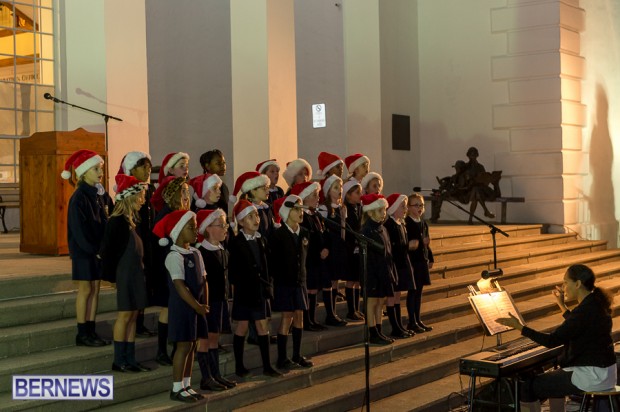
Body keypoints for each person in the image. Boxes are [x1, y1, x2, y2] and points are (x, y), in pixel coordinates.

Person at [496, 264, 617, 412]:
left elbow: (551, 341)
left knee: (527, 387)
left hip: (591, 376)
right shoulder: (595, 304)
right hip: (605, 373)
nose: (563, 287)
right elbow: (578, 324)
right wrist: (562, 305)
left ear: (578, 284)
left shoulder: (584, 311)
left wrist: (520, 327)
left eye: (566, 282)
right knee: (555, 381)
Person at [153, 210, 207, 403]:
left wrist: (204, 303)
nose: (195, 230)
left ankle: (186, 384)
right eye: (191, 227)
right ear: (177, 231)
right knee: (183, 346)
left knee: (192, 345)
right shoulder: (174, 256)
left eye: (195, 226)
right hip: (182, 307)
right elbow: (180, 286)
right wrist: (197, 305)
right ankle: (176, 387)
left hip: (196, 306)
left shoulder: (196, 253)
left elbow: (204, 280)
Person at [62, 149, 114, 347]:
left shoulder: (100, 193)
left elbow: (109, 215)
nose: (100, 172)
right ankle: (82, 332)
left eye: (100, 168)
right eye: (96, 169)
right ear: (83, 173)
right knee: (86, 289)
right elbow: (78, 230)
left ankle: (91, 330)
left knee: (96, 288)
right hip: (85, 251)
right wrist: (94, 250)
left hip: (99, 250)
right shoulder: (79, 197)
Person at [101, 174, 150, 372]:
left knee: (133, 315)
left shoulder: (132, 220)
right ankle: (119, 359)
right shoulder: (117, 222)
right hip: (125, 274)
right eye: (141, 196)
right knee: (124, 315)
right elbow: (108, 251)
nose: (143, 200)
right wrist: (112, 277)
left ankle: (130, 358)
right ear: (130, 197)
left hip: (135, 273)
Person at [228, 200, 280, 378]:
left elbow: (267, 265)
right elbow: (234, 271)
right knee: (242, 326)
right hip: (244, 291)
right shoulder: (236, 242)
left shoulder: (261, 240)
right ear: (241, 221)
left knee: (263, 326)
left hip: (260, 290)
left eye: (256, 215)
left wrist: (268, 285)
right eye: (250, 216)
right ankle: (239, 366)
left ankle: (267, 366)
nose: (256, 219)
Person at [270, 195, 314, 369]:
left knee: (299, 316)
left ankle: (297, 354)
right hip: (285, 282)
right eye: (296, 209)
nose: (300, 212)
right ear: (287, 212)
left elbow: (305, 257)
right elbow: (275, 261)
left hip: (299, 281)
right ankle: (282, 357)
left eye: (301, 209)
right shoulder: (279, 234)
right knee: (287, 316)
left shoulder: (304, 233)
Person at [152, 176, 192, 365]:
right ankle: (162, 350)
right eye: (183, 191)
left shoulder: (183, 213)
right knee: (167, 308)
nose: (186, 195)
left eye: (187, 192)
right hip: (166, 268)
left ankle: (177, 347)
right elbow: (159, 243)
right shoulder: (165, 214)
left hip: (179, 265)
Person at [116, 151, 156, 337]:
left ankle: (140, 320)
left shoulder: (149, 189)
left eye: (149, 168)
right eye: (143, 167)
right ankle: (136, 323)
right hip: (133, 243)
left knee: (144, 285)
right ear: (132, 169)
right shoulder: (128, 192)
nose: (148, 171)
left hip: (147, 241)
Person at [195, 209, 235, 391]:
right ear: (208, 228)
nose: (226, 228)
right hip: (208, 303)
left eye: (226, 225)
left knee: (215, 337)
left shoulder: (222, 250)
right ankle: (206, 377)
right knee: (206, 338)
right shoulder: (201, 252)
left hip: (221, 300)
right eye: (222, 225)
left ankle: (215, 374)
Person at [359, 194, 396, 345]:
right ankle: (372, 331)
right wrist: (374, 275)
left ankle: (379, 329)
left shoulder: (383, 228)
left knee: (381, 300)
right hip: (372, 272)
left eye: (384, 210)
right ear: (370, 212)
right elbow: (368, 257)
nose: (384, 213)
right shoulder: (367, 230)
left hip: (383, 270)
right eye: (380, 210)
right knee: (372, 301)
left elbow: (388, 251)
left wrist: (390, 271)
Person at [383, 193, 415, 339]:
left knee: (398, 296)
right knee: (392, 296)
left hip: (402, 265)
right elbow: (391, 248)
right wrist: (407, 246)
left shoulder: (401, 224)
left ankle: (399, 326)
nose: (405, 209)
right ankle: (395, 327)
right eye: (402, 206)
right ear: (394, 208)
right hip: (394, 265)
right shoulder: (389, 225)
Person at [319, 174, 349, 322]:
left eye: (341, 187)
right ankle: (329, 314)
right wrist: (325, 246)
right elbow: (322, 231)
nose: (340, 190)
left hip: (339, 248)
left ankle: (334, 313)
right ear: (328, 191)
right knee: (329, 281)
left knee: (336, 280)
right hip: (329, 248)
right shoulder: (324, 208)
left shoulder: (342, 208)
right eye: (336, 188)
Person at [405, 193, 434, 333]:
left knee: (419, 292)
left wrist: (430, 257)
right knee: (413, 292)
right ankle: (411, 321)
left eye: (421, 205)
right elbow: (406, 243)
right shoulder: (407, 223)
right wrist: (413, 244)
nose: (419, 208)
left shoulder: (423, 223)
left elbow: (426, 243)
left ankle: (418, 319)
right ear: (408, 207)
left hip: (422, 261)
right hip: (412, 262)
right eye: (416, 205)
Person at [342, 179, 365, 321]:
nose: (360, 195)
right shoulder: (346, 209)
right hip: (350, 248)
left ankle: (356, 309)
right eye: (357, 193)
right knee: (351, 280)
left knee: (357, 280)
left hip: (358, 248)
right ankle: (351, 310)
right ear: (348, 195)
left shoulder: (359, 208)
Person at [199, 150, 230, 215]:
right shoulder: (203, 187)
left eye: (224, 163)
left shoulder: (223, 186)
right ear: (207, 166)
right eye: (218, 163)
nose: (223, 166)